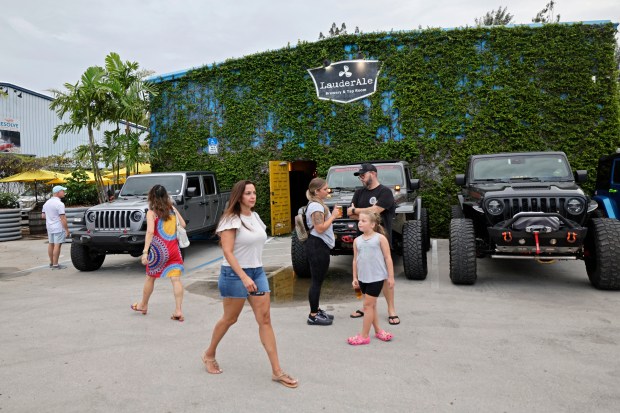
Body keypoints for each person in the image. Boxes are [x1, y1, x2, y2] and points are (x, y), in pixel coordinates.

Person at [201, 180, 298, 388]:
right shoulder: (230, 219)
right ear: (239, 196)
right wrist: (244, 277)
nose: (252, 196)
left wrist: (252, 275)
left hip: (257, 271)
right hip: (234, 274)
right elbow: (227, 251)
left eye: (254, 193)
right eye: (247, 193)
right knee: (230, 318)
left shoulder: (254, 217)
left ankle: (277, 371)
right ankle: (209, 354)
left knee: (265, 319)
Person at [346, 163, 400, 325]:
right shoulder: (359, 192)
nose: (361, 178)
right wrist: (364, 212)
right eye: (360, 176)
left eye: (363, 175)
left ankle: (391, 309)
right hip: (363, 240)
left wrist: (358, 211)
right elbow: (350, 214)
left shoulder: (385, 192)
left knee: (383, 276)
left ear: (373, 174)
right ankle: (366, 306)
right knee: (364, 275)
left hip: (380, 240)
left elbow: (375, 210)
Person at [130, 184, 186, 321]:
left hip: (158, 251)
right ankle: (178, 310)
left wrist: (145, 252)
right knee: (176, 279)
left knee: (150, 277)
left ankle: (143, 305)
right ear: (166, 196)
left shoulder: (152, 213)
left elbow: (150, 232)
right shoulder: (172, 209)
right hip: (173, 250)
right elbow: (183, 224)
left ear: (151, 197)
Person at [348, 211, 395, 345]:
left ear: (373, 224)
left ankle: (364, 336)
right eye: (359, 221)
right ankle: (378, 330)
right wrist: (354, 277)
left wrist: (390, 277)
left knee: (367, 306)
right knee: (372, 306)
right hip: (363, 278)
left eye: (364, 221)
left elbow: (388, 258)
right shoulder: (357, 241)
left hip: (377, 278)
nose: (360, 223)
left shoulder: (380, 238)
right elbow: (355, 260)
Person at [304, 177, 342, 325]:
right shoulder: (315, 207)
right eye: (325, 189)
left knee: (318, 280)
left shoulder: (317, 204)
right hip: (317, 245)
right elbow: (319, 228)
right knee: (316, 281)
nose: (328, 191)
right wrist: (333, 216)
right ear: (316, 191)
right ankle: (313, 315)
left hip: (318, 245)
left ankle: (316, 309)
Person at [41, 185, 70, 270]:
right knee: (57, 245)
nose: (64, 193)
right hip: (58, 227)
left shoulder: (46, 203)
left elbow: (43, 216)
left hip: (49, 227)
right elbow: (63, 218)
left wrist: (51, 218)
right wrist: (67, 230)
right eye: (63, 191)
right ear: (58, 192)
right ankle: (55, 264)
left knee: (51, 244)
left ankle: (51, 262)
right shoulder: (60, 204)